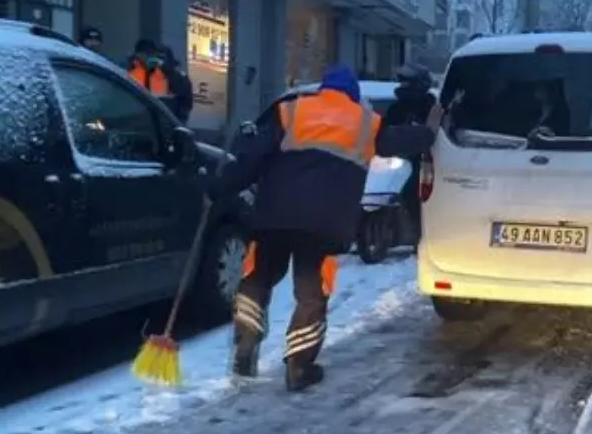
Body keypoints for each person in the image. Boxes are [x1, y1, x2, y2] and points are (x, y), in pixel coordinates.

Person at [207, 65, 441, 391]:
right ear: (353, 95)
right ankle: (299, 367)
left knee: (258, 277)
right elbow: (401, 140)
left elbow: (253, 157)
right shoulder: (365, 122)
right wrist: (430, 131)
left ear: (322, 90)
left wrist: (222, 187)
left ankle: (245, 349)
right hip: (324, 224)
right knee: (311, 293)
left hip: (274, 214)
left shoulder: (291, 110)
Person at [382, 64, 437, 235]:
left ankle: (420, 232)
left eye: (408, 83)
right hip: (395, 158)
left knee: (416, 192)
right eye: (402, 83)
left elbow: (437, 132)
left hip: (423, 160)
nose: (403, 87)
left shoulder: (431, 107)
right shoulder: (395, 109)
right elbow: (383, 130)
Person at [159, 45, 195, 124]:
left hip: (173, 121)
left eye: (162, 58)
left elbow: (187, 104)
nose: (159, 62)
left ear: (170, 60)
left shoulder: (180, 78)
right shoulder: (152, 75)